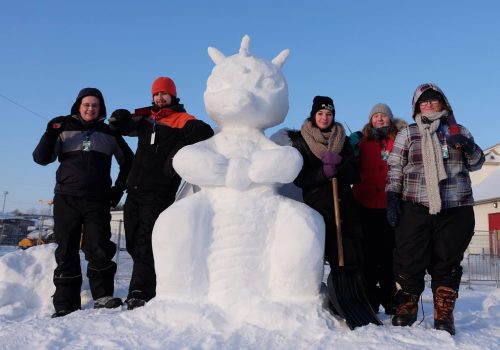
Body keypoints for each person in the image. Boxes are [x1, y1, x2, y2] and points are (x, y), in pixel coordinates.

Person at [386, 83, 485, 335]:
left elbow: (476, 164)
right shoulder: (407, 133)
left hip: (456, 206)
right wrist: (392, 196)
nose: (428, 104)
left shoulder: (458, 129)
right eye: (424, 101)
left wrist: (467, 145)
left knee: (447, 261)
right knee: (409, 257)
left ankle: (443, 312)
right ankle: (407, 305)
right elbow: (396, 166)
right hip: (416, 205)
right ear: (416, 107)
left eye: (433, 100)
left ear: (444, 103)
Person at [109, 76, 214, 310]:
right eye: (156, 94)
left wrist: (176, 153)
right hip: (134, 189)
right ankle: (153, 283)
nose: (160, 97)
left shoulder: (182, 119)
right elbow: (122, 126)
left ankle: (140, 291)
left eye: (164, 93)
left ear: (173, 95)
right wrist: (119, 118)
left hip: (159, 191)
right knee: (134, 241)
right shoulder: (147, 119)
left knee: (147, 240)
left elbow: (205, 132)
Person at [33, 87, 134, 318]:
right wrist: (50, 133)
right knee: (66, 248)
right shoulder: (63, 128)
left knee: (98, 246)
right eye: (86, 104)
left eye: (95, 105)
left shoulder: (109, 134)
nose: (90, 108)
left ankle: (102, 296)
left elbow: (129, 162)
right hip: (66, 198)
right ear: (78, 105)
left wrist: (118, 190)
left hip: (97, 200)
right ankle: (66, 302)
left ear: (101, 108)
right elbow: (41, 159)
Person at [287, 96, 363, 272]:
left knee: (351, 255)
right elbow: (299, 179)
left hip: (345, 205)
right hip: (318, 206)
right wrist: (323, 173)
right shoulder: (301, 141)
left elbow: (354, 174)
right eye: (320, 113)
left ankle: (348, 291)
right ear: (313, 115)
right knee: (325, 254)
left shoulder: (342, 140)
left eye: (329, 114)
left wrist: (340, 164)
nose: (324, 118)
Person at [352, 103, 406, 315]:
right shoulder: (363, 142)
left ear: (390, 118)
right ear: (370, 120)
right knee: (368, 255)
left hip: (391, 204)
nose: (380, 119)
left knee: (389, 255)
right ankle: (370, 299)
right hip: (365, 203)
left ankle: (390, 297)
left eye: (383, 115)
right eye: (376, 116)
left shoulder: (400, 140)